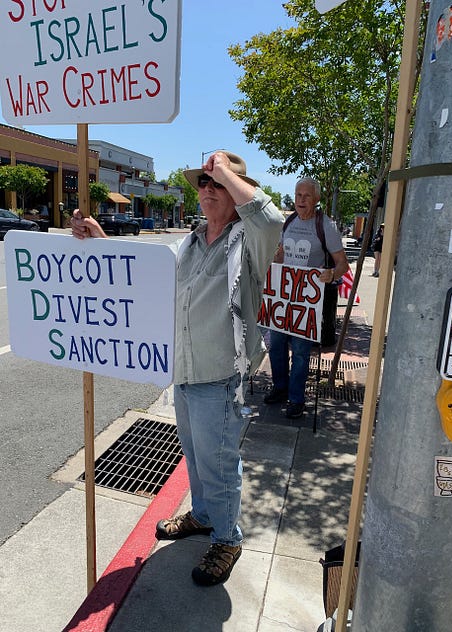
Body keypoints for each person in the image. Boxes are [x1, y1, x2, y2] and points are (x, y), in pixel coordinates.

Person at [71, 151, 284, 587]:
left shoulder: (249, 241)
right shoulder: (190, 241)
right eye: (202, 183)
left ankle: (227, 538)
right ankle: (205, 516)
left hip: (221, 376)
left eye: (216, 184)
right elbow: (144, 269)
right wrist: (98, 240)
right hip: (185, 372)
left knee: (219, 462)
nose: (206, 189)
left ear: (234, 191)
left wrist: (223, 168)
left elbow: (270, 217)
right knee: (195, 455)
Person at [264, 177, 349, 419]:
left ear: (317, 199)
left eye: (306, 196)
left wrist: (331, 274)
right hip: (282, 298)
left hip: (307, 302)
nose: (301, 200)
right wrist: (273, 261)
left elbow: (342, 264)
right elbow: (280, 255)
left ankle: (296, 399)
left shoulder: (326, 226)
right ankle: (280, 387)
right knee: (276, 346)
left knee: (300, 352)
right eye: (298, 195)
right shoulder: (288, 221)